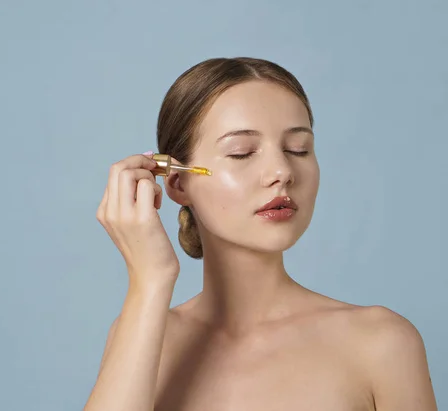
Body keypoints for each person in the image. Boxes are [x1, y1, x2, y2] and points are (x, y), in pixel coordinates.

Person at [84, 57, 437, 411]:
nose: (282, 171)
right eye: (242, 153)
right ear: (178, 181)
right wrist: (150, 280)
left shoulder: (381, 343)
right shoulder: (140, 336)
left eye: (298, 149)